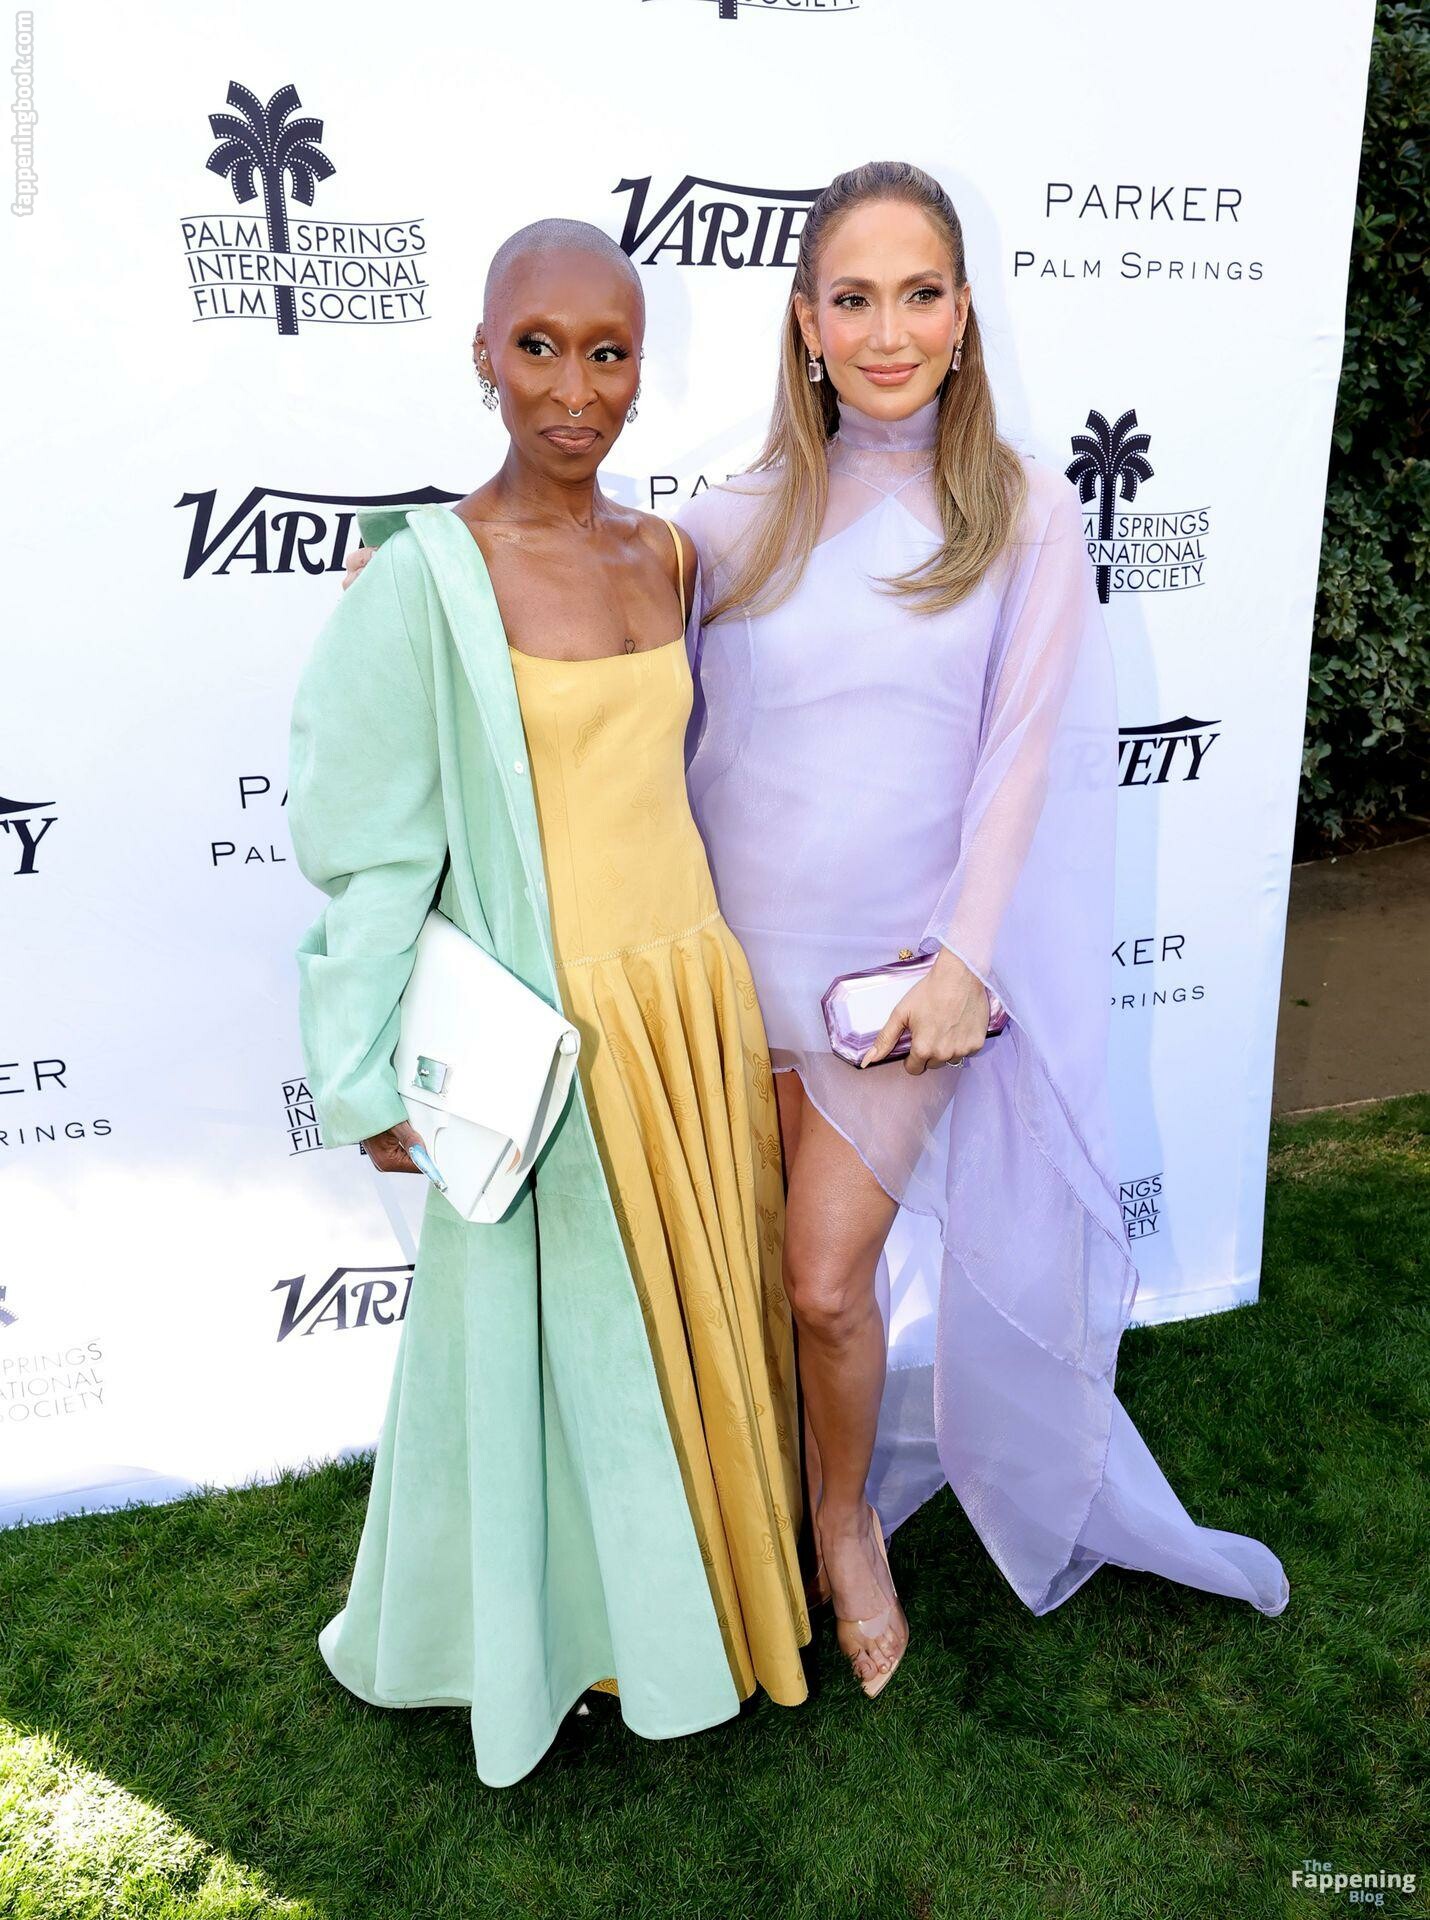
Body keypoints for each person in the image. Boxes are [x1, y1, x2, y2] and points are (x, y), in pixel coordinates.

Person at [677, 160, 1291, 1697]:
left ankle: (842, 1527)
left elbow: (1021, 760)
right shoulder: (724, 519)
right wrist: (432, 573)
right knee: (757, 1283)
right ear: (803, 322)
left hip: (899, 985)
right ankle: (753, 1514)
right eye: (853, 298)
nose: (887, 332)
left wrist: (961, 964)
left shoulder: (1017, 513)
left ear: (962, 314)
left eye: (919, 294)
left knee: (825, 1281)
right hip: (730, 964)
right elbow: (606, 662)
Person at [290, 218, 808, 1790]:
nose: (573, 388)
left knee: (675, 1328)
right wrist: (360, 1072)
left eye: (607, 352)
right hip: (546, 1022)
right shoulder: (420, 581)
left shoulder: (668, 558)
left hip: (684, 995)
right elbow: (372, 846)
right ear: (482, 355)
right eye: (538, 347)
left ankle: (690, 1611)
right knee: (547, 1344)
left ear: (642, 371)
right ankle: (552, 1639)